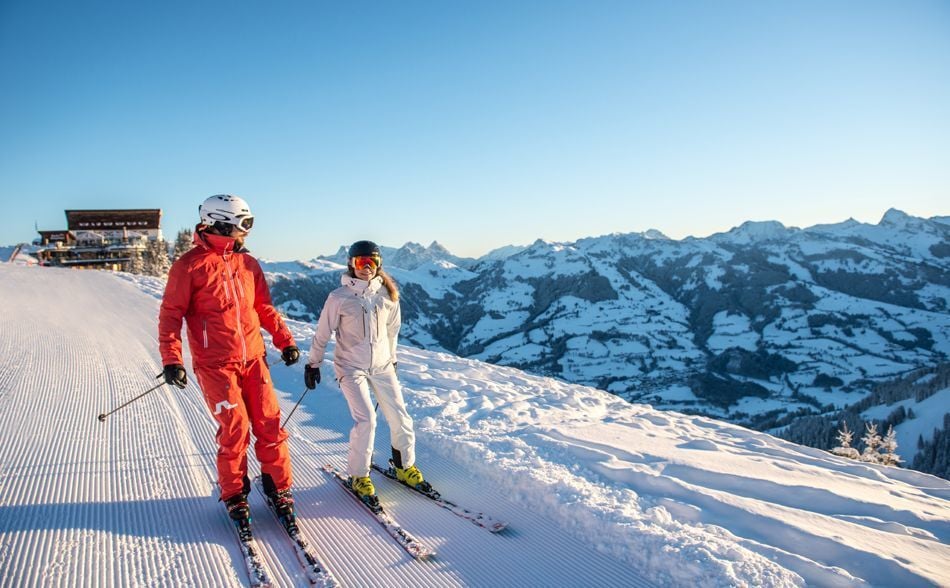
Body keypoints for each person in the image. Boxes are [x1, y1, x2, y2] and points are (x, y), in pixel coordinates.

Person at [158, 194, 300, 523]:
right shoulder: (189, 266)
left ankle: (279, 487)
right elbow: (170, 315)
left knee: (269, 423)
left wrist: (284, 340)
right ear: (223, 222)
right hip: (215, 364)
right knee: (235, 429)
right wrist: (172, 359)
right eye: (244, 224)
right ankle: (235, 493)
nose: (247, 232)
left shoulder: (247, 264)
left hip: (254, 359)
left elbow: (263, 307)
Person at [304, 240, 430, 507]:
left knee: (401, 418)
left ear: (379, 264)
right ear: (351, 264)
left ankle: (404, 466)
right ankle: (359, 476)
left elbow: (392, 332)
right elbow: (323, 333)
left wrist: (391, 360)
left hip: (383, 367)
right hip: (350, 368)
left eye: (371, 261)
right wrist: (313, 363)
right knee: (367, 421)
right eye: (361, 262)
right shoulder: (339, 297)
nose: (366, 267)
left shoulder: (388, 295)